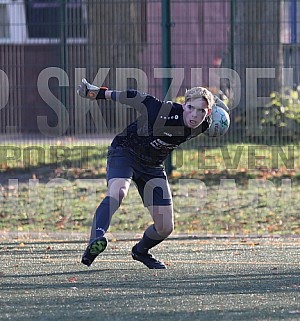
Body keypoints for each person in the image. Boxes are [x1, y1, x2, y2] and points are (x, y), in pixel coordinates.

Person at [77, 79, 229, 269]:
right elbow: (132, 97)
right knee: (118, 192)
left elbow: (213, 103)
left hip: (152, 166)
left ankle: (140, 251)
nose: (195, 115)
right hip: (125, 152)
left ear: (208, 113)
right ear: (184, 104)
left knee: (165, 227)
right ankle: (96, 238)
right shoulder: (162, 111)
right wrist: (98, 93)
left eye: (201, 111)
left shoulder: (205, 124)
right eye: (191, 108)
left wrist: (222, 108)